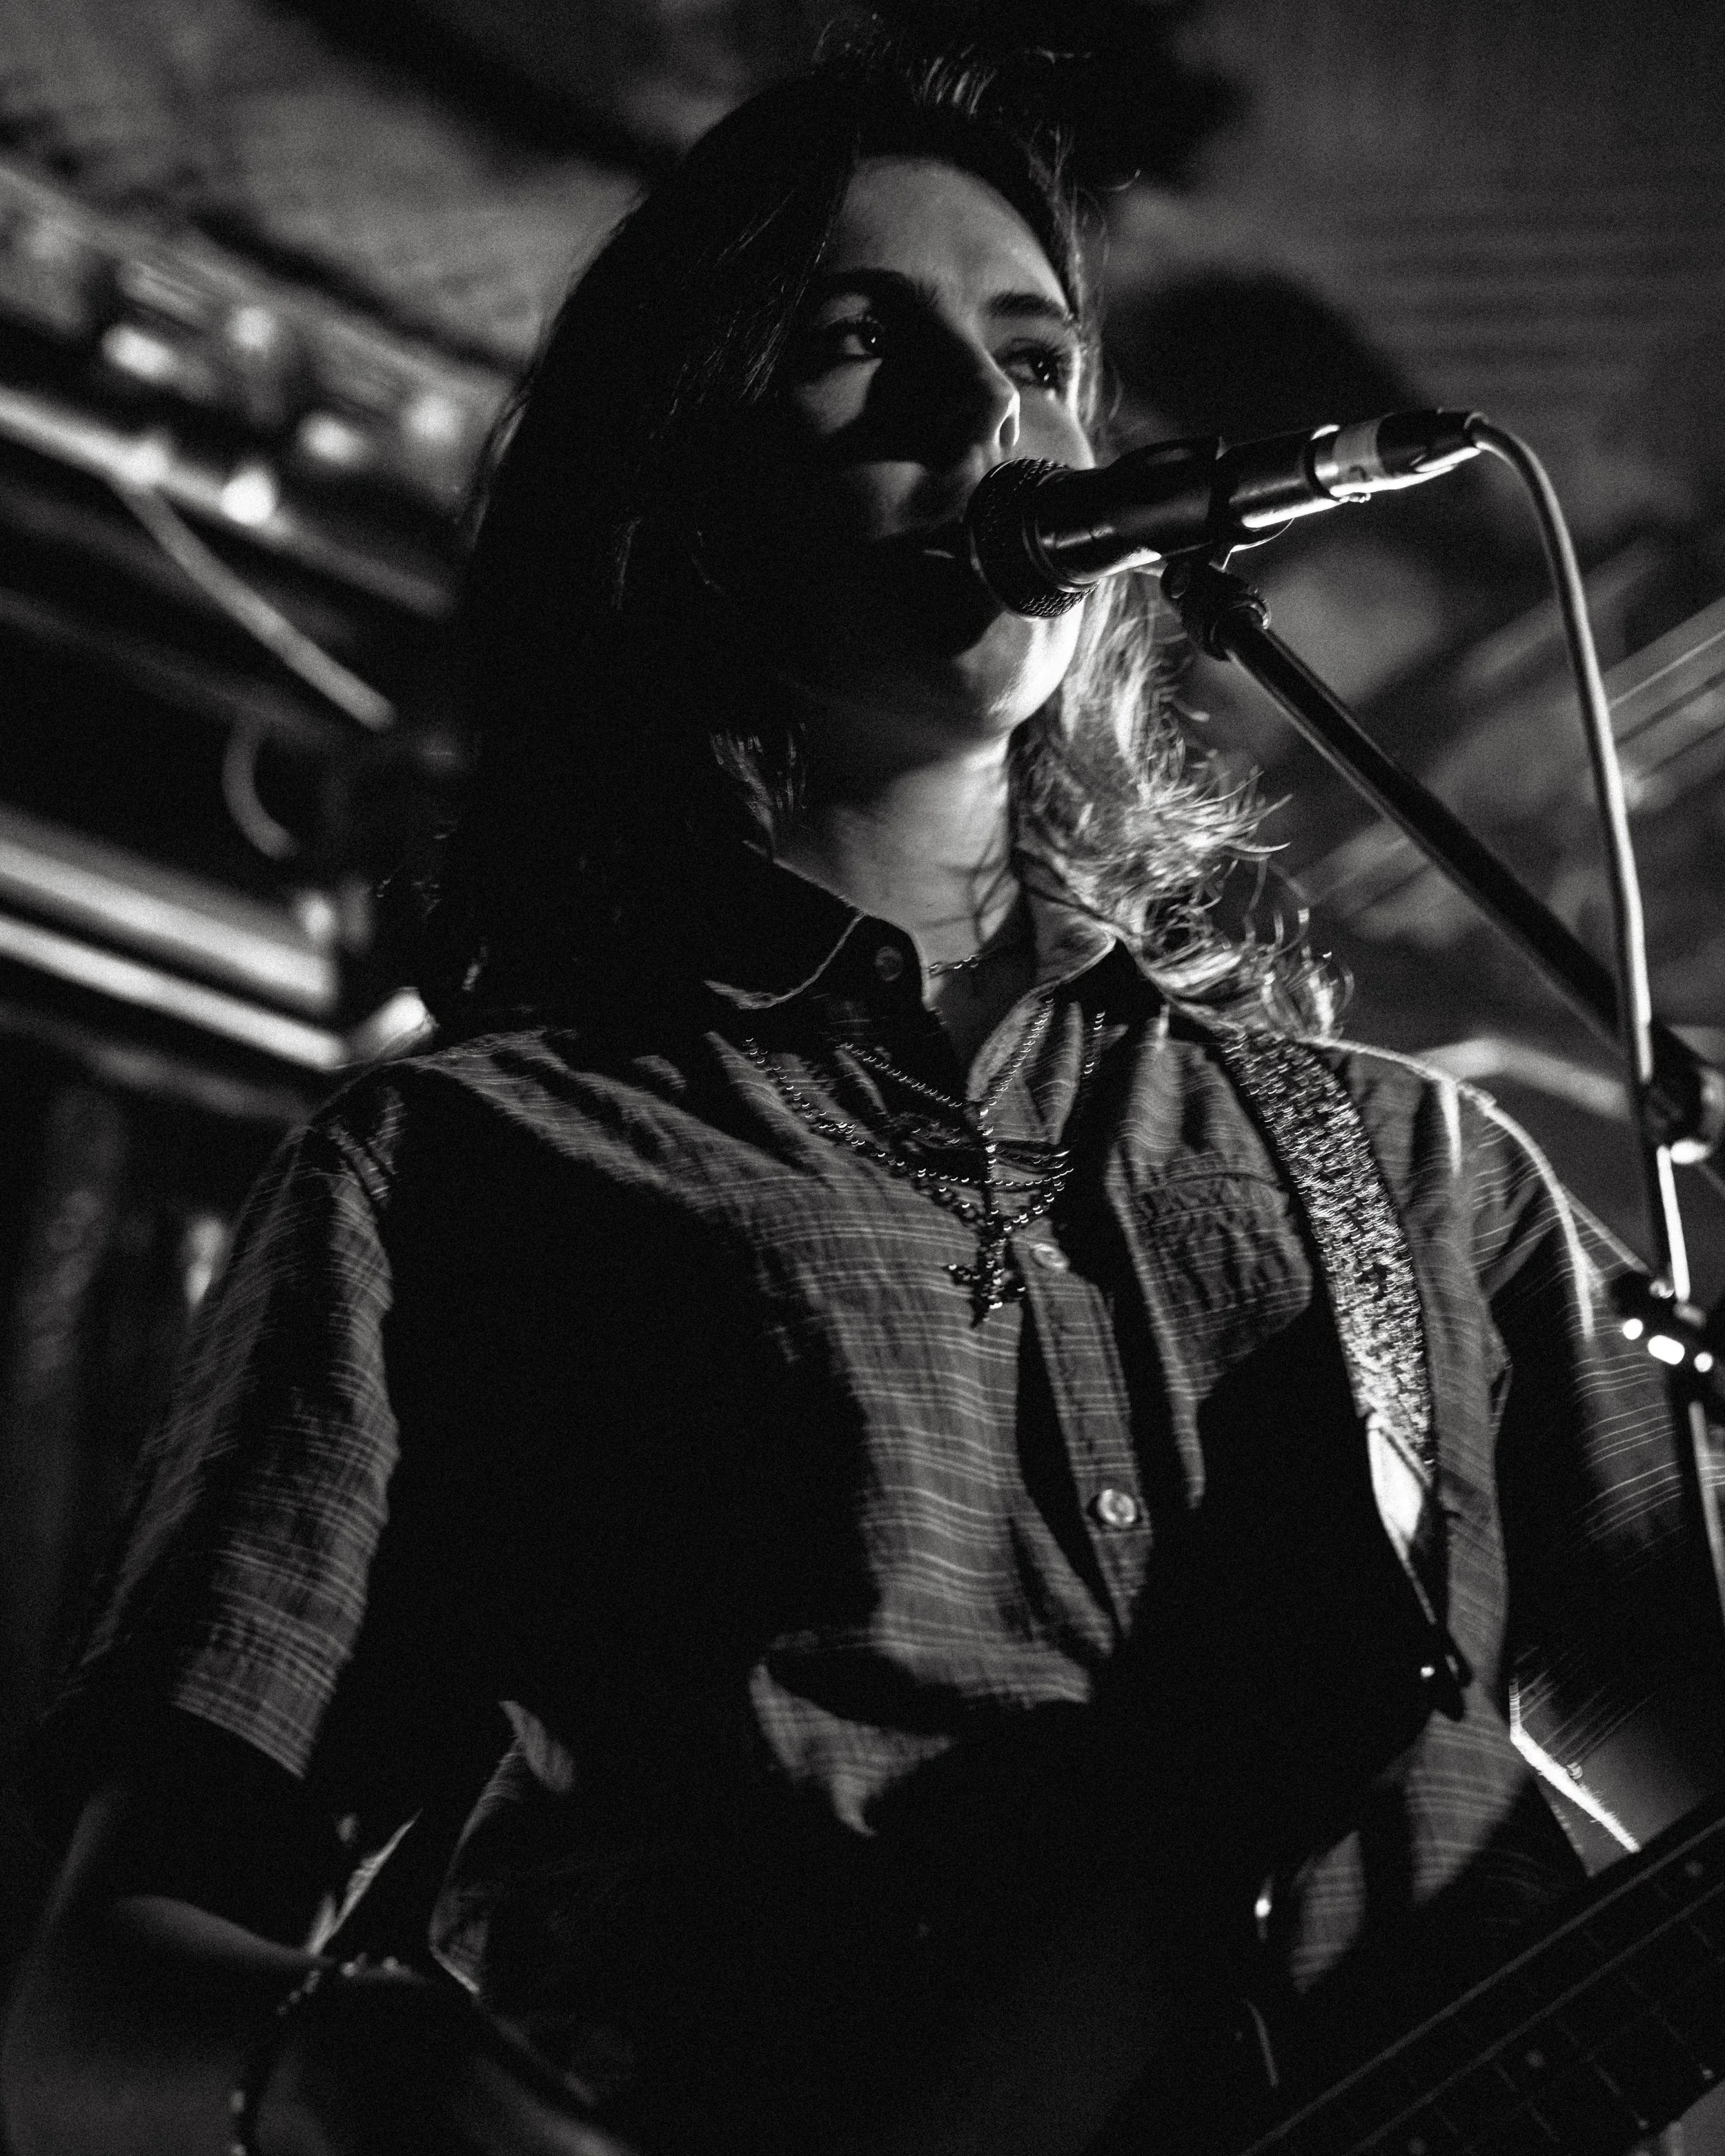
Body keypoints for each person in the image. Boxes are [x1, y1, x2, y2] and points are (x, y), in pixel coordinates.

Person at [4, 39, 1723, 2156]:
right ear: (678, 488)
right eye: (853, 344)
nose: (981, 412)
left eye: (1032, 354)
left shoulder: (1410, 1179)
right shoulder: (465, 1173)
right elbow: (93, 2005)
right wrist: (392, 2083)